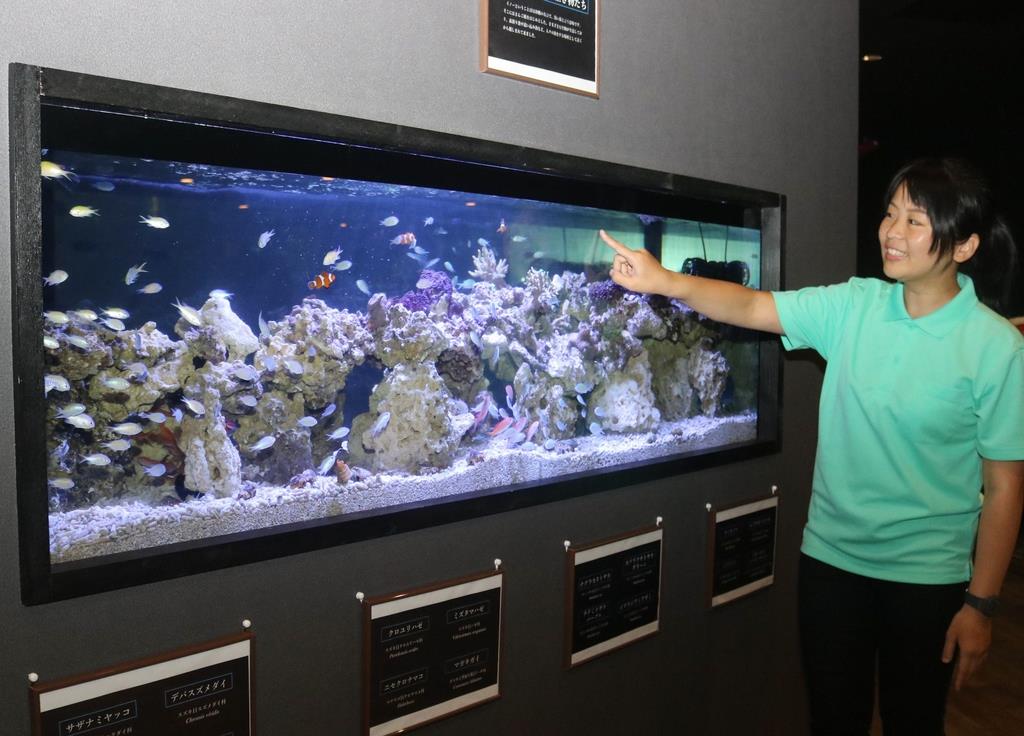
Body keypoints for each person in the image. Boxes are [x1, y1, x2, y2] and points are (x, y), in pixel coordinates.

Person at [601, 157, 1024, 735]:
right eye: (890, 213)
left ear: (966, 245)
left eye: (916, 221)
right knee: (832, 720)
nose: (892, 232)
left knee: (914, 722)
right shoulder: (855, 305)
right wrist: (664, 281)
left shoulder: (996, 347)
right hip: (832, 565)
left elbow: (1004, 486)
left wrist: (981, 605)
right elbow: (752, 306)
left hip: (928, 581)